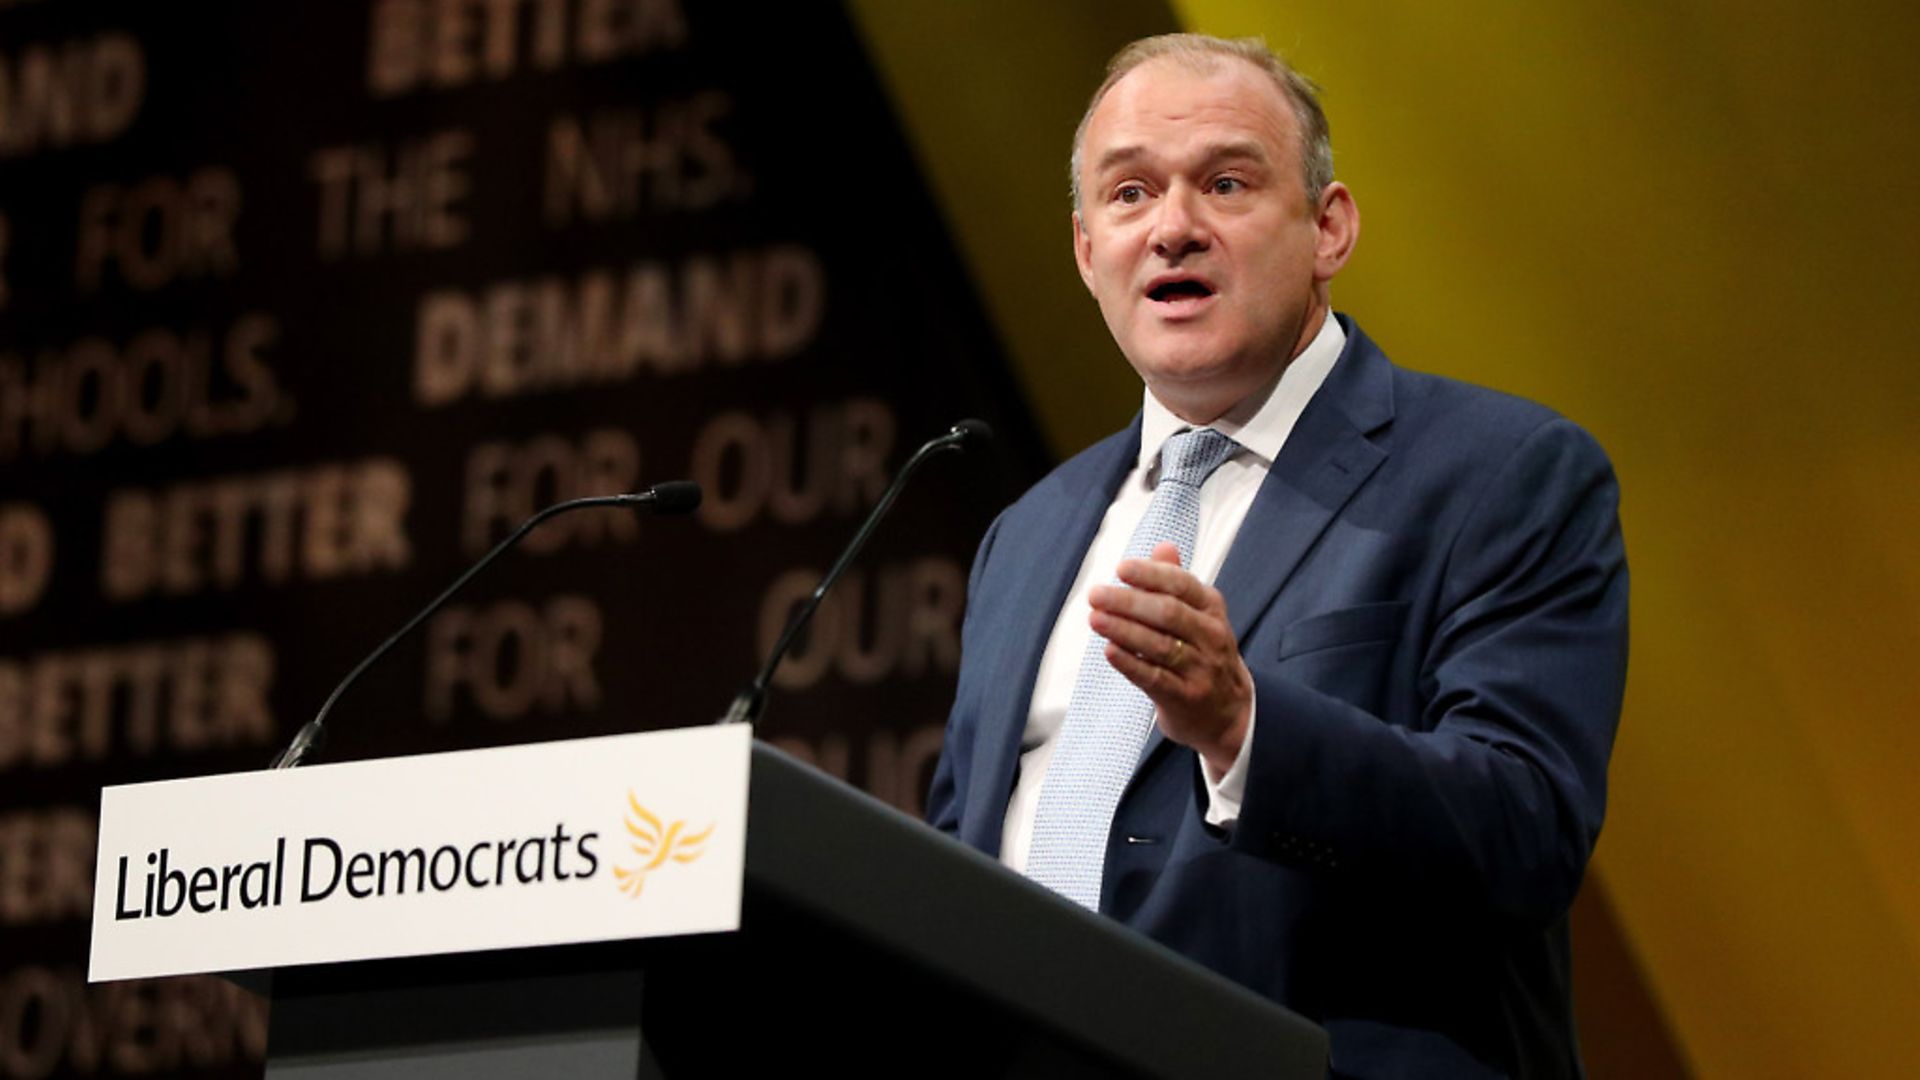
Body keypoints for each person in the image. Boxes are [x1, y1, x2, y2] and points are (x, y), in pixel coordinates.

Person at [927, 32, 1628, 1080]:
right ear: (1085, 252)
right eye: (1129, 194)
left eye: (1224, 182)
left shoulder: (1502, 474)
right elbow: (957, 859)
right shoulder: (1027, 532)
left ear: (1328, 229)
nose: (1173, 229)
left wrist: (1244, 726)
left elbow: (1525, 828)